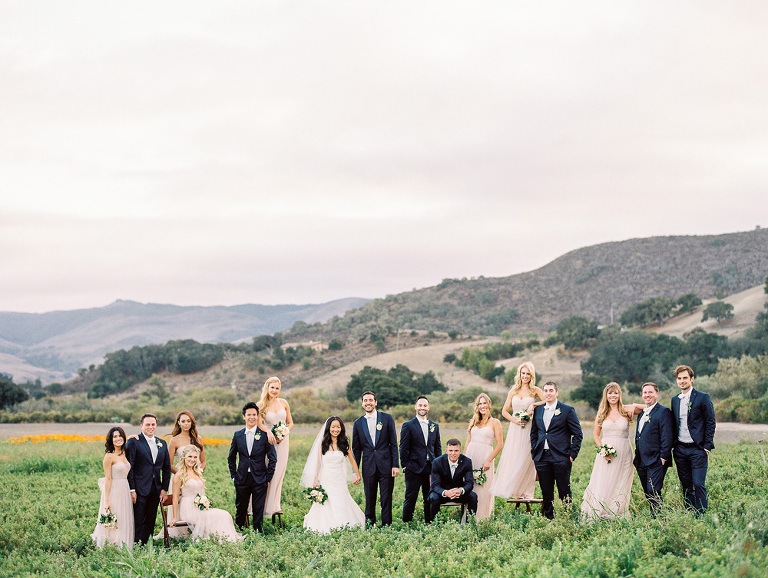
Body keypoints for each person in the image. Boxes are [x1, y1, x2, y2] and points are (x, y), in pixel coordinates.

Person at [581, 383, 641, 519]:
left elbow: (648, 408)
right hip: (606, 453)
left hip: (624, 452)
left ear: (620, 395)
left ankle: (617, 511)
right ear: (606, 396)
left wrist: (633, 405)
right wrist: (603, 450)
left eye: (616, 393)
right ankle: (600, 511)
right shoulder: (602, 412)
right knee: (603, 480)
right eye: (610, 393)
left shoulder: (626, 410)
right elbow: (596, 434)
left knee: (621, 480)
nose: (613, 396)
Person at [301, 417, 365, 533]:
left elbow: (352, 460)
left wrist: (357, 474)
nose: (336, 429)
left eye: (338, 427)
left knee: (341, 500)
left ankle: (343, 524)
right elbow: (318, 462)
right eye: (333, 427)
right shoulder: (323, 443)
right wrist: (315, 479)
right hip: (326, 478)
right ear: (329, 428)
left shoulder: (344, 442)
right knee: (327, 501)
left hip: (339, 479)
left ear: (342, 428)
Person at [530, 382, 583, 520]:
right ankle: (549, 519)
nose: (548, 393)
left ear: (556, 392)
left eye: (551, 390)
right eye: (546, 390)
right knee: (546, 492)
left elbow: (577, 434)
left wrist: (572, 455)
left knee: (564, 491)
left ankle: (569, 519)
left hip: (561, 457)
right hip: (541, 457)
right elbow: (534, 433)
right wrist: (534, 452)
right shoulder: (538, 410)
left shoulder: (567, 410)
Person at [492, 362, 544, 500]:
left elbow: (549, 401)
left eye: (528, 374)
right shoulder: (513, 391)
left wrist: (533, 404)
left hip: (529, 428)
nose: (525, 376)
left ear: (531, 375)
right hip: (515, 429)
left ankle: (525, 491)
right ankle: (514, 490)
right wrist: (514, 420)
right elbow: (504, 411)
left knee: (526, 458)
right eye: (523, 373)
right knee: (514, 456)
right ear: (519, 375)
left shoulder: (535, 390)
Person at [171, 445, 242, 542]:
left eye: (195, 457)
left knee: (225, 514)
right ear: (184, 457)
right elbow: (175, 497)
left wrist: (204, 503)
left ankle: (224, 540)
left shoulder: (197, 472)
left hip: (198, 507)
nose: (192, 459)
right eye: (190, 456)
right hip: (188, 509)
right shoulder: (179, 475)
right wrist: (175, 517)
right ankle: (220, 541)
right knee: (220, 516)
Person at [671, 365, 716, 516]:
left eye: (685, 378)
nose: (682, 381)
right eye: (679, 378)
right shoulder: (674, 400)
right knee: (686, 485)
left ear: (692, 379)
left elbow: (711, 422)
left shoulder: (703, 397)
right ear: (677, 381)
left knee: (698, 483)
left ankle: (701, 515)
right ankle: (690, 514)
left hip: (698, 449)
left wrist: (707, 446)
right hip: (680, 449)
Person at [228, 401, 277, 532]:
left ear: (258, 416)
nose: (252, 417)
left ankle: (257, 533)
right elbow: (231, 458)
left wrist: (268, 477)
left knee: (258, 507)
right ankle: (238, 532)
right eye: (249, 414)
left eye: (254, 415)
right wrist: (234, 476)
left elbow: (273, 458)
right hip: (242, 478)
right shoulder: (238, 435)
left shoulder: (265, 435)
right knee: (241, 507)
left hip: (260, 478)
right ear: (244, 416)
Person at [352, 391, 399, 526]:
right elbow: (356, 450)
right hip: (368, 466)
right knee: (369, 498)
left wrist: (395, 465)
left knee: (386, 498)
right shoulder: (358, 423)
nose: (368, 402)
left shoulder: (387, 418)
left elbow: (394, 443)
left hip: (386, 465)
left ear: (375, 402)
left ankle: (386, 526)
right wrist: (355, 471)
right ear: (362, 403)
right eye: (365, 400)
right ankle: (370, 524)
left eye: (371, 400)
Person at [126, 413, 171, 545]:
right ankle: (135, 545)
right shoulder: (134, 441)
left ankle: (146, 544)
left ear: (156, 425)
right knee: (138, 518)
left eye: (153, 424)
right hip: (139, 488)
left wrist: (164, 488)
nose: (150, 427)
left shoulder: (161, 443)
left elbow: (166, 468)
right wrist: (132, 489)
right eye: (147, 424)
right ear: (141, 426)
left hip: (156, 488)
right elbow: (130, 467)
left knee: (151, 518)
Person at [633, 382, 674, 517]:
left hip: (656, 460)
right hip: (641, 460)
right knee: (647, 492)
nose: (647, 395)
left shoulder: (663, 411)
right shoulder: (641, 414)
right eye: (645, 392)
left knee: (653, 490)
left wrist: (663, 457)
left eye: (650, 392)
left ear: (657, 394)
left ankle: (659, 518)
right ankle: (655, 515)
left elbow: (667, 436)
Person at [399, 395, 442, 523]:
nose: (422, 407)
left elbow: (437, 447)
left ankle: (429, 522)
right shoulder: (408, 425)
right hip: (413, 467)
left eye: (424, 405)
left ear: (428, 408)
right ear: (415, 407)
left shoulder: (435, 426)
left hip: (430, 468)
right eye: (420, 405)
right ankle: (407, 523)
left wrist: (438, 465)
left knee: (429, 497)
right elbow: (403, 447)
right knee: (411, 497)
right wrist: (405, 465)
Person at [257, 376, 294, 520]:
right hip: (269, 441)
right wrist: (269, 432)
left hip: (283, 441)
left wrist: (285, 432)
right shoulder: (261, 404)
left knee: (279, 472)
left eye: (277, 388)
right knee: (269, 471)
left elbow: (290, 422)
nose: (274, 390)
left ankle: (274, 505)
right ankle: (263, 505)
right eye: (272, 387)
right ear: (267, 387)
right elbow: (260, 424)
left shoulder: (284, 403)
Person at [91, 427, 134, 550]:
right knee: (114, 520)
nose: (118, 438)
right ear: (111, 439)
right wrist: (107, 500)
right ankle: (111, 548)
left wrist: (132, 436)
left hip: (124, 489)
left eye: (120, 435)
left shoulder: (125, 452)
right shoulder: (109, 457)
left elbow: (126, 441)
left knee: (124, 519)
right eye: (115, 436)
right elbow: (108, 479)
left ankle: (124, 547)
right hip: (114, 490)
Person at [463, 393, 503, 520]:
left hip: (485, 458)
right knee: (470, 487)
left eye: (484, 403)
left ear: (489, 405)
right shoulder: (473, 422)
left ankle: (481, 520)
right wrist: (463, 461)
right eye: (479, 404)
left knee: (483, 489)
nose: (482, 406)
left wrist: (488, 460)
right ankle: (468, 519)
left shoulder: (495, 422)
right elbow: (467, 442)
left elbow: (500, 444)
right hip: (471, 457)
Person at [426, 439, 478, 522]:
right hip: (442, 494)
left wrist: (461, 490)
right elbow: (435, 485)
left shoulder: (467, 461)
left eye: (456, 451)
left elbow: (469, 483)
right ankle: (435, 524)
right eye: (450, 451)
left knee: (473, 496)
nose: (453, 453)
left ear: (460, 451)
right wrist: (446, 492)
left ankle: (470, 525)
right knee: (433, 497)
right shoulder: (437, 462)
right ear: (446, 451)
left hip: (458, 494)